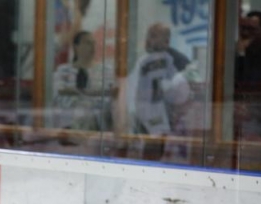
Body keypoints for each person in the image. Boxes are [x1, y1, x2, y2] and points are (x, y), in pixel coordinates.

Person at [121, 22, 191, 159]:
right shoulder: (143, 60)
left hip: (159, 117)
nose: (148, 40)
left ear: (166, 41)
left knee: (154, 151)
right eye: (148, 36)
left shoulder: (176, 61)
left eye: (153, 36)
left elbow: (181, 93)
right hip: (144, 116)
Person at [52, 30, 115, 131]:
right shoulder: (63, 71)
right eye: (87, 43)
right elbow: (57, 96)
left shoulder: (106, 71)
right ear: (76, 47)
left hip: (98, 126)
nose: (92, 47)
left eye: (94, 43)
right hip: (69, 125)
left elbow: (111, 97)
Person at [234, 10, 261, 142]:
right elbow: (237, 81)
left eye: (251, 29)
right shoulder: (241, 47)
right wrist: (241, 55)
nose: (246, 33)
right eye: (243, 28)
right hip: (245, 108)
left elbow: (254, 81)